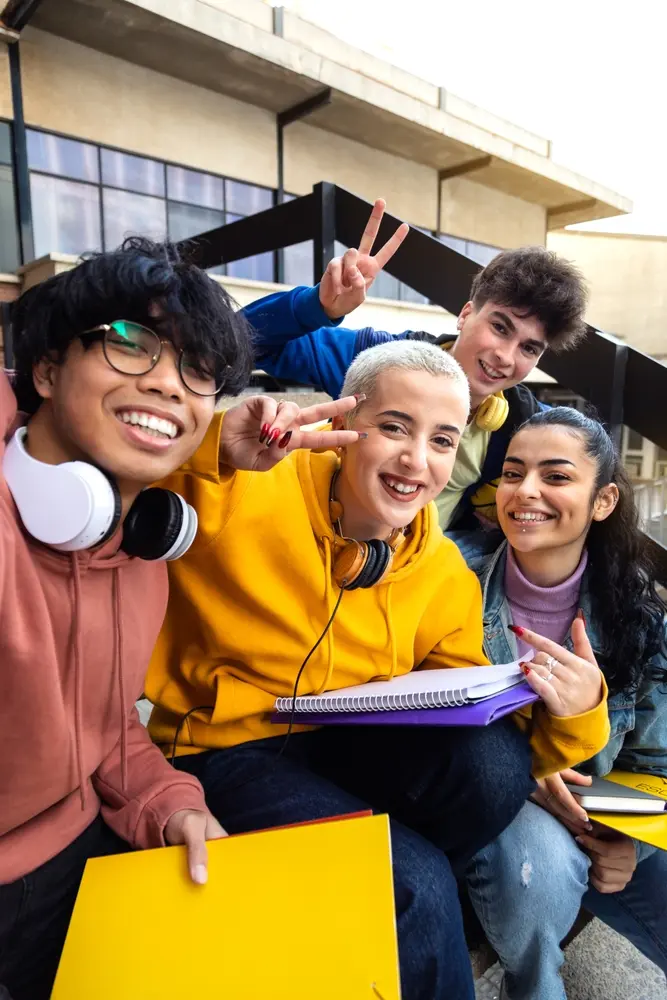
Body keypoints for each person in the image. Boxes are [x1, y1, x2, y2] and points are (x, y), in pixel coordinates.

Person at [146, 341, 611, 1000]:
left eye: (442, 440)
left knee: (493, 765)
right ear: (341, 428)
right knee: (413, 883)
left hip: (344, 749)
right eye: (393, 427)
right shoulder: (244, 484)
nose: (415, 460)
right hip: (225, 749)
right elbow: (123, 484)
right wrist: (213, 447)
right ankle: (396, 889)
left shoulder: (442, 569)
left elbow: (476, 731)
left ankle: (380, 890)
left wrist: (577, 708)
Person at [0, 235, 371, 1000]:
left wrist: (171, 807)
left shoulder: (140, 550)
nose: (170, 384)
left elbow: (104, 726)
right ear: (44, 368)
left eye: (199, 370)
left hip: (75, 858)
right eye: (132, 344)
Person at [464, 407, 667, 1000]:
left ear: (602, 500)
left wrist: (628, 840)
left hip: (597, 808)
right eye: (512, 472)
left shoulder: (641, 615)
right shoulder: (453, 585)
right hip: (504, 801)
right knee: (542, 874)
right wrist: (528, 774)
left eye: (556, 476)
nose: (526, 491)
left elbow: (655, 764)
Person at [244, 244, 588, 554]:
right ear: (466, 314)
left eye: (529, 348)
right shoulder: (380, 360)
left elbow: (592, 455)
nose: (506, 357)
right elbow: (241, 339)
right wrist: (316, 306)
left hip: (423, 572)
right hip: (318, 544)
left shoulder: (522, 423)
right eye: (500, 328)